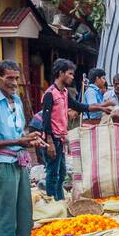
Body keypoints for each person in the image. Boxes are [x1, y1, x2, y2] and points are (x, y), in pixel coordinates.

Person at [0, 59, 45, 236]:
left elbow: (16, 134)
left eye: (16, 78)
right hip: (3, 164)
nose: (14, 83)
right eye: (9, 78)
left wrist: (28, 138)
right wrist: (18, 142)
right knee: (6, 215)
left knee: (25, 212)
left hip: (21, 162)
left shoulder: (16, 100)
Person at [40, 59, 79, 200]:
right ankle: (52, 202)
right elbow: (46, 120)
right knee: (53, 174)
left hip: (60, 139)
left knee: (61, 173)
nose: (72, 77)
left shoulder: (64, 92)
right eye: (70, 73)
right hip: (52, 139)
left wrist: (100, 106)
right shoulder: (50, 93)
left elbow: (77, 105)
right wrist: (49, 142)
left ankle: (60, 200)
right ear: (61, 73)